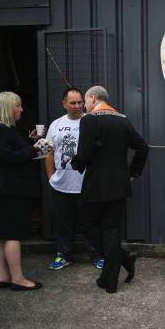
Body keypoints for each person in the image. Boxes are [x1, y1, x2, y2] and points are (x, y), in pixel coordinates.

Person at [71, 86, 148, 294]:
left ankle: (122, 260)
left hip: (95, 185)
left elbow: (84, 154)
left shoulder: (89, 120)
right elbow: (143, 147)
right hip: (119, 185)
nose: (84, 105)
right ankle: (111, 277)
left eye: (85, 100)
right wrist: (133, 172)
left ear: (93, 98)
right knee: (111, 231)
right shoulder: (122, 119)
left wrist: (74, 162)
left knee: (87, 225)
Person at [0, 92, 44, 291]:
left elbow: (9, 151)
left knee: (1, 235)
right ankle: (18, 279)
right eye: (17, 106)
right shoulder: (2, 131)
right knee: (12, 235)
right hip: (9, 191)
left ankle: (3, 277)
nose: (21, 109)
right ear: (8, 108)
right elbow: (9, 158)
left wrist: (28, 140)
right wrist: (34, 149)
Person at [45, 87, 104, 270]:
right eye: (73, 102)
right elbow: (49, 152)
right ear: (64, 104)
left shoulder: (91, 122)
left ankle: (97, 255)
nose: (77, 106)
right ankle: (64, 255)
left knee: (91, 223)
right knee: (63, 224)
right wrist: (50, 177)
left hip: (86, 184)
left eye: (80, 102)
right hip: (61, 185)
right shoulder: (56, 125)